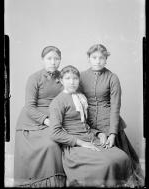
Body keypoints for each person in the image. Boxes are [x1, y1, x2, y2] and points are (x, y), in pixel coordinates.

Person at [49, 65, 135, 187]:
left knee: (123, 157)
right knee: (107, 163)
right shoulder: (57, 102)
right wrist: (82, 143)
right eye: (68, 78)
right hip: (75, 145)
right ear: (62, 81)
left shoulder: (80, 97)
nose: (72, 82)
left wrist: (99, 134)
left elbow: (85, 124)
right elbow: (54, 132)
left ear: (79, 80)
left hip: (92, 138)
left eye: (75, 78)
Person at [79, 44, 144, 187]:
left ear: (106, 59)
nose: (97, 61)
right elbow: (74, 98)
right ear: (89, 58)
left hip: (109, 122)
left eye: (101, 58)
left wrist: (113, 133)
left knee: (116, 160)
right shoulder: (81, 76)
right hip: (87, 123)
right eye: (94, 57)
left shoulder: (112, 78)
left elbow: (115, 107)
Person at [14, 46, 66, 187]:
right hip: (32, 120)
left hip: (55, 117)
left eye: (56, 58)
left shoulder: (63, 77)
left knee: (59, 144)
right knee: (50, 146)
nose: (53, 62)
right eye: (49, 58)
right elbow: (30, 107)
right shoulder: (34, 78)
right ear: (43, 60)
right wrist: (47, 120)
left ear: (60, 60)